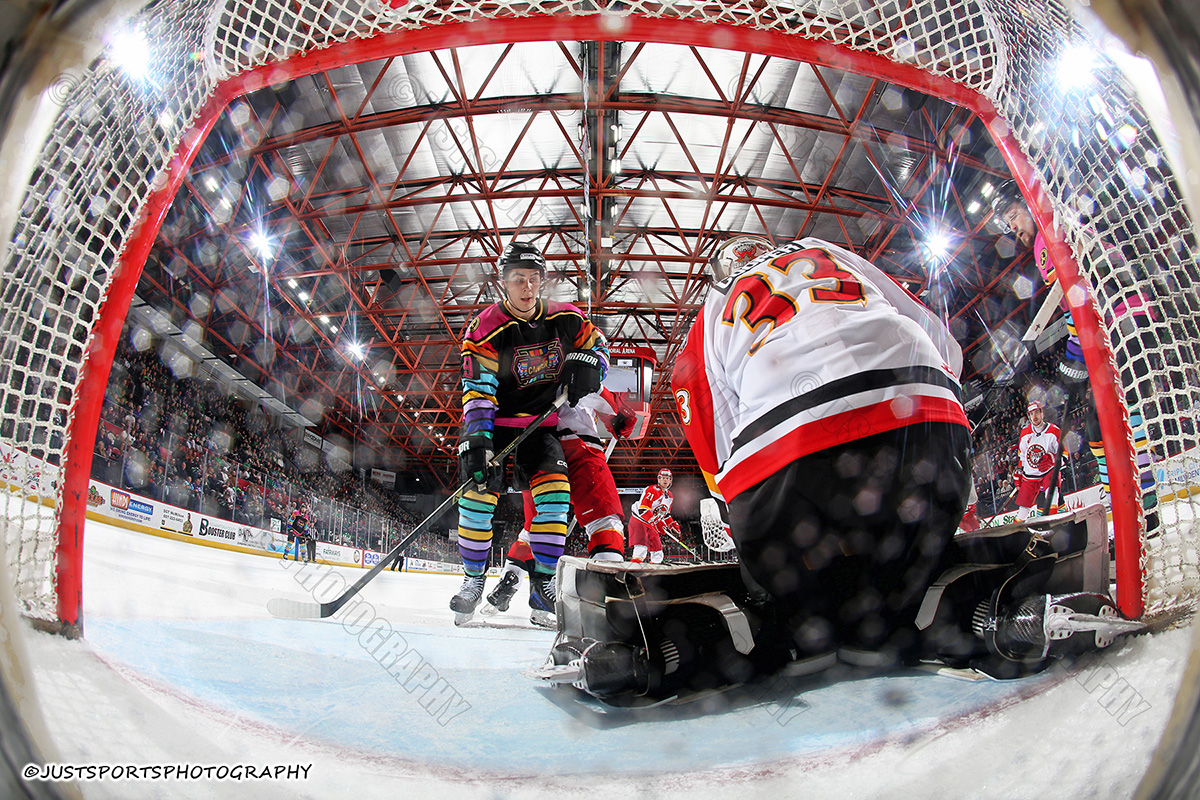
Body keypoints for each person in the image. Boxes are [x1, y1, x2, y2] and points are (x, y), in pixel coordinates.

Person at [542, 236, 1136, 705]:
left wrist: (768, 537)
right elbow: (940, 343)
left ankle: (703, 645)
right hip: (930, 430)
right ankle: (991, 616)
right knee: (897, 578)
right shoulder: (834, 255)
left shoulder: (709, 317)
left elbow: (720, 460)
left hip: (803, 461)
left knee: (793, 601)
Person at [451, 240, 609, 625]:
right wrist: (478, 441)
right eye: (518, 279)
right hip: (494, 427)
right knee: (476, 500)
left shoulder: (567, 317)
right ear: (503, 282)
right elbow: (479, 389)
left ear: (542, 281)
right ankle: (472, 581)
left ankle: (541, 588)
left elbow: (599, 347)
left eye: (533, 279)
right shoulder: (486, 327)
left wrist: (593, 364)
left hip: (541, 428)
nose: (526, 287)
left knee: (556, 499)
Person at [992, 182, 1159, 532]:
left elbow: (1080, 300)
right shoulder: (1054, 227)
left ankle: (1143, 503)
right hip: (1120, 323)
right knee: (1100, 426)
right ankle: (1132, 504)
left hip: (1120, 323)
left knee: (1120, 418)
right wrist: (1075, 358)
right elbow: (1075, 301)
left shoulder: (1046, 236)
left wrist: (1074, 359)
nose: (1013, 229)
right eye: (1008, 225)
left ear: (1027, 203)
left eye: (1012, 217)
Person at [484, 386, 635, 627]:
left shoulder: (528, 358)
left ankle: (511, 584)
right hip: (579, 448)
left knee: (535, 529)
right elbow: (593, 388)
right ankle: (609, 603)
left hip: (535, 448)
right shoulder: (577, 354)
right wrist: (618, 411)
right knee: (605, 521)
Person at [1014, 400, 1062, 521]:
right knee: (1023, 511)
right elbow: (1022, 456)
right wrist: (1019, 471)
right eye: (1031, 414)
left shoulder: (1054, 431)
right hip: (1030, 476)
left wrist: (1053, 459)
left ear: (1042, 413)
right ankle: (1014, 537)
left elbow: (1064, 454)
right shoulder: (1025, 433)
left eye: (1036, 412)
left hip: (1048, 472)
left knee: (1052, 493)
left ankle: (1052, 525)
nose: (1034, 417)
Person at [628, 469, 676, 563]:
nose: (665, 480)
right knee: (641, 548)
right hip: (639, 520)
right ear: (658, 479)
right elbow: (643, 510)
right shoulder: (652, 490)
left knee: (657, 549)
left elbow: (666, 514)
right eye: (663, 478)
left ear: (670, 480)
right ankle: (635, 569)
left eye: (667, 478)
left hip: (651, 522)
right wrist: (656, 522)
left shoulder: (670, 496)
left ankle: (656, 570)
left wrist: (672, 526)